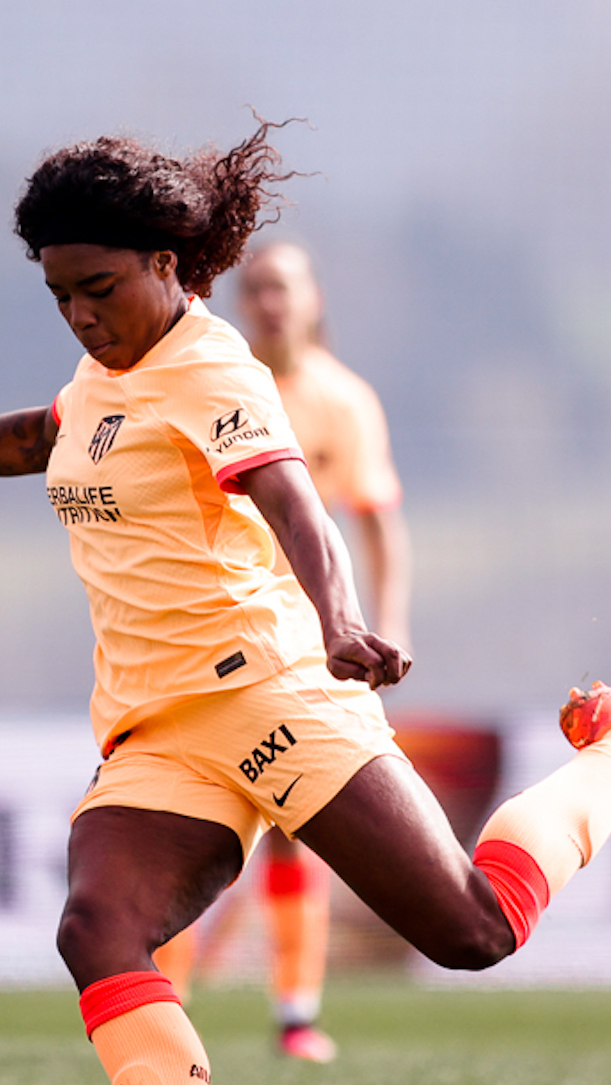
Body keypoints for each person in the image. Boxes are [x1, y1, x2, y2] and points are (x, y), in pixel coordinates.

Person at [0, 123, 611, 1084]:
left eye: (98, 289)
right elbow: (49, 430)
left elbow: (292, 496)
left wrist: (338, 619)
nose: (78, 314)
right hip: (157, 727)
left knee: (475, 931)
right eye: (60, 295)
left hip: (271, 689)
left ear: (166, 264)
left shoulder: (212, 367)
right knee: (97, 928)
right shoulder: (106, 371)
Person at [148, 239, 414, 1063]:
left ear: (311, 299)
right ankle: (171, 1008)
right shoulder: (214, 383)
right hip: (212, 635)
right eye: (256, 288)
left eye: (282, 288)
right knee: (191, 824)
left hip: (307, 637)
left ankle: (296, 1013)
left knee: (307, 822)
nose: (269, 302)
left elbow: (379, 524)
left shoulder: (344, 400)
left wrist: (389, 622)